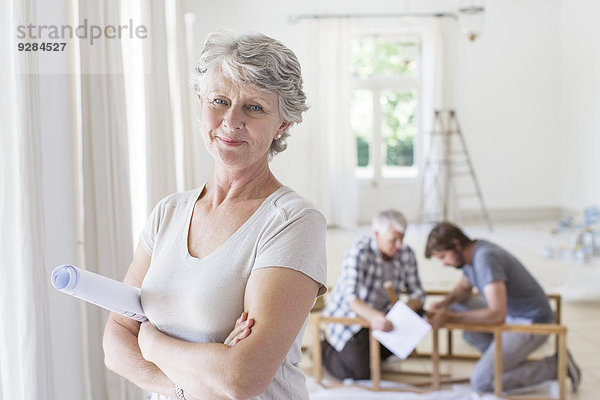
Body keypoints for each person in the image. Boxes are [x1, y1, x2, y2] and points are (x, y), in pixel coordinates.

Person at [102, 31, 327, 400]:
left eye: (254, 107)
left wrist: (150, 339)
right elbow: (115, 341)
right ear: (201, 104)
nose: (231, 121)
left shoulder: (292, 221)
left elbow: (242, 379)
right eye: (220, 101)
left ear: (283, 125)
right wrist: (186, 386)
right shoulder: (168, 213)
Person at [424, 221, 581, 393]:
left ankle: (556, 365)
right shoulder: (471, 255)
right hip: (512, 313)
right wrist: (444, 305)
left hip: (531, 322)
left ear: (456, 244)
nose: (444, 264)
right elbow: (464, 288)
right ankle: (501, 360)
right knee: (456, 306)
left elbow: (497, 314)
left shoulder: (485, 258)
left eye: (443, 257)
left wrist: (448, 317)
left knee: (481, 382)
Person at [320, 210, 426, 380]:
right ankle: (322, 349)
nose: (399, 245)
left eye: (402, 238)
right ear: (377, 235)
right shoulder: (359, 251)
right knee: (359, 373)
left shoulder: (405, 253)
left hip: (385, 316)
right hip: (354, 317)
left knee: (420, 313)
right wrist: (374, 317)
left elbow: (418, 293)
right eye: (393, 240)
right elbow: (350, 298)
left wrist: (406, 307)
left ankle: (375, 353)